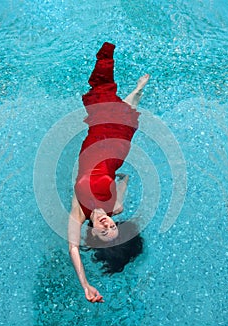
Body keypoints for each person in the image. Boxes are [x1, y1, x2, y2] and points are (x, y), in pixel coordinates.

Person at [68, 42, 149, 303]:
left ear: (94, 233)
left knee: (102, 92)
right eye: (113, 227)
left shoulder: (80, 212)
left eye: (104, 231)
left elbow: (72, 247)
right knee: (126, 113)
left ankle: (107, 54)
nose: (107, 225)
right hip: (116, 148)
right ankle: (136, 91)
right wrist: (123, 180)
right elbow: (119, 191)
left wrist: (84, 285)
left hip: (96, 136)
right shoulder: (115, 208)